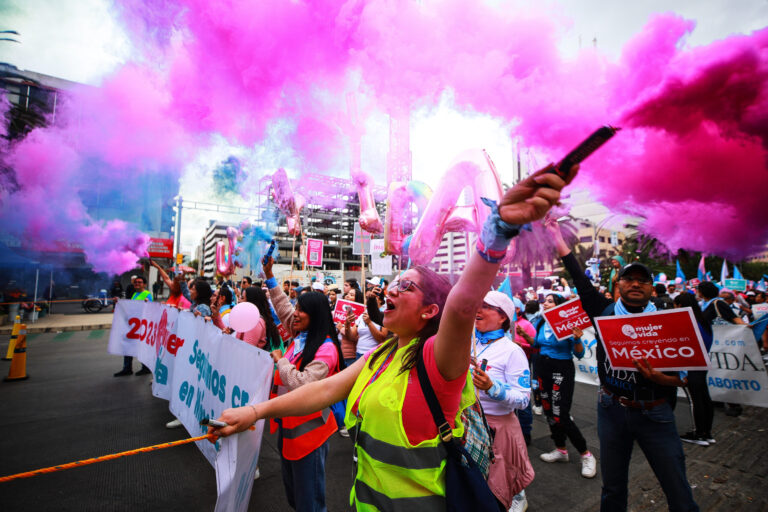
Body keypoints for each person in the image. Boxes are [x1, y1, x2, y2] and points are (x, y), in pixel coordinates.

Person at [208, 162, 575, 510]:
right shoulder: (382, 358)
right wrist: (253, 413)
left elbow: (462, 306)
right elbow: (321, 391)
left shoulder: (437, 360)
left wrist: (495, 234)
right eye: (394, 284)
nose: (391, 290)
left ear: (431, 311)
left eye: (407, 287)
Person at [547, 217, 699, 512]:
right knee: (613, 489)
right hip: (611, 411)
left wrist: (658, 377)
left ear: (652, 290)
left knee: (678, 492)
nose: (636, 284)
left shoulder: (668, 323)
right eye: (630, 279)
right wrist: (555, 234)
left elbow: (684, 378)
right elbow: (578, 275)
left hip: (656, 413)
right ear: (619, 284)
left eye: (643, 281)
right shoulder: (602, 311)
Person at [263, 256, 344, 511]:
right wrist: (269, 275)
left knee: (310, 502)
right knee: (295, 496)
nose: (294, 313)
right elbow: (283, 307)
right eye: (296, 306)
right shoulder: (301, 335)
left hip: (310, 435)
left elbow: (303, 384)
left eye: (301, 309)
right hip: (289, 427)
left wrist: (280, 361)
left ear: (316, 315)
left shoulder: (327, 349)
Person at [516, 291, 596, 478]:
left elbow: (579, 353)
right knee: (549, 411)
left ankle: (586, 454)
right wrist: (523, 336)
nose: (546, 303)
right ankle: (561, 449)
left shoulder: (566, 325)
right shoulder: (542, 323)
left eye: (551, 301)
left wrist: (576, 339)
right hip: (543, 369)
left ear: (559, 306)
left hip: (562, 370)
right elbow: (537, 344)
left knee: (562, 414)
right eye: (545, 301)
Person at [472, 290, 534, 511]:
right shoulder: (469, 342)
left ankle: (517, 498)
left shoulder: (512, 351)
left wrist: (492, 388)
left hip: (498, 428)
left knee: (499, 484)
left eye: (487, 306)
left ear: (503, 317)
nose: (478, 309)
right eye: (478, 304)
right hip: (469, 422)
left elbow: (523, 399)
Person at [673, 293, 715, 446]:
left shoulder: (687, 322)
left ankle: (699, 433)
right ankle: (707, 432)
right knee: (704, 398)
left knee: (695, 400)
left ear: (679, 305)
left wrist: (683, 373)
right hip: (702, 364)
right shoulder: (703, 321)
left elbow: (686, 349)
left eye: (675, 305)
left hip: (692, 366)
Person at [698, 281, 745, 418]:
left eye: (698, 290)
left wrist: (745, 329)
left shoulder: (718, 303)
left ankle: (734, 404)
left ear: (702, 292)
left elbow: (734, 318)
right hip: (712, 343)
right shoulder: (706, 304)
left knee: (726, 372)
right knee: (716, 372)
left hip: (723, 343)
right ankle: (717, 398)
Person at [114, 275, 153, 377]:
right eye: (135, 282)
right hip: (133, 325)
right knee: (128, 346)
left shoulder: (147, 294)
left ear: (144, 284)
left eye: (140, 282)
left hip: (141, 326)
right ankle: (127, 368)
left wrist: (147, 303)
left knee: (140, 348)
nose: (137, 284)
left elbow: (149, 307)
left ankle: (145, 368)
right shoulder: (135, 294)